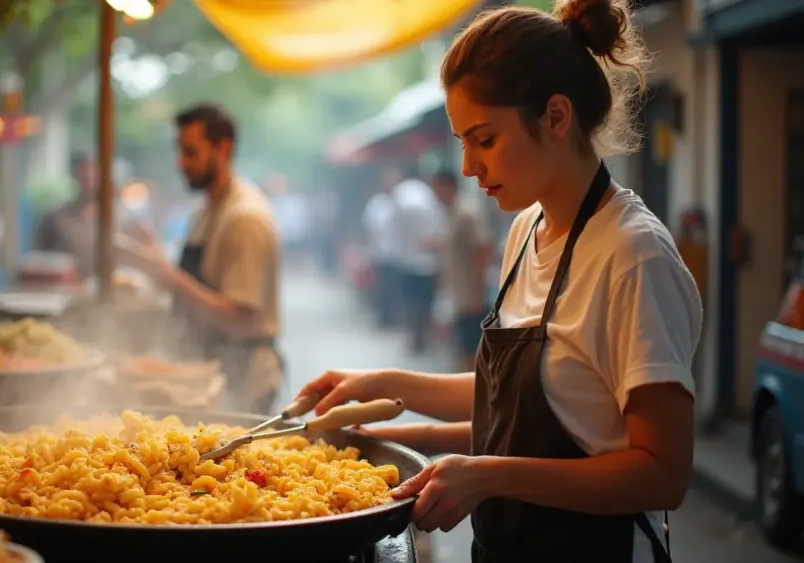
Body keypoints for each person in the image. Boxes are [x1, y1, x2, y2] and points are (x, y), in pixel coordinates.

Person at [296, 1, 702, 561]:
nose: (468, 166)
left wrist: (486, 476)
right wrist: (379, 394)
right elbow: (511, 408)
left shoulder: (633, 256)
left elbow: (662, 475)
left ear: (555, 117)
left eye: (484, 140)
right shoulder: (527, 228)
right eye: (462, 142)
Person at [115, 103, 283, 415]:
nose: (180, 162)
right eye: (179, 151)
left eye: (190, 152)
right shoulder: (208, 209)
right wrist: (153, 258)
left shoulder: (245, 217)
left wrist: (162, 271)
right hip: (209, 363)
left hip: (242, 372)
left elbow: (240, 318)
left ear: (223, 149)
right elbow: (195, 281)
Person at [429, 170, 493, 371]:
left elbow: (482, 249)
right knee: (463, 346)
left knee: (472, 348)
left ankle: (472, 384)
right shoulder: (452, 213)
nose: (435, 194)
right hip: (458, 294)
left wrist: (477, 293)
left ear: (449, 187)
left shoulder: (466, 213)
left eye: (437, 188)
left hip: (470, 296)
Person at [390, 172, 447, 354]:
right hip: (428, 264)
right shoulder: (428, 198)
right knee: (425, 303)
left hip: (406, 263)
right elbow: (440, 229)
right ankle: (422, 336)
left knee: (411, 302)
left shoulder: (400, 196)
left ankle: (414, 335)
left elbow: (394, 230)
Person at [32, 154, 100, 280]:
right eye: (85, 173)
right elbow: (38, 257)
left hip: (101, 285)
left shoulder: (112, 220)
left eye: (94, 175)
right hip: (63, 286)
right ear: (76, 175)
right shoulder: (55, 217)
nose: (89, 179)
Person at [362, 169, 400, 328]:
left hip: (398, 254)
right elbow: (370, 227)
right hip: (380, 253)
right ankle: (384, 316)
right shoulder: (376, 203)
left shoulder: (400, 200)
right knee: (382, 286)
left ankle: (394, 317)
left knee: (395, 287)